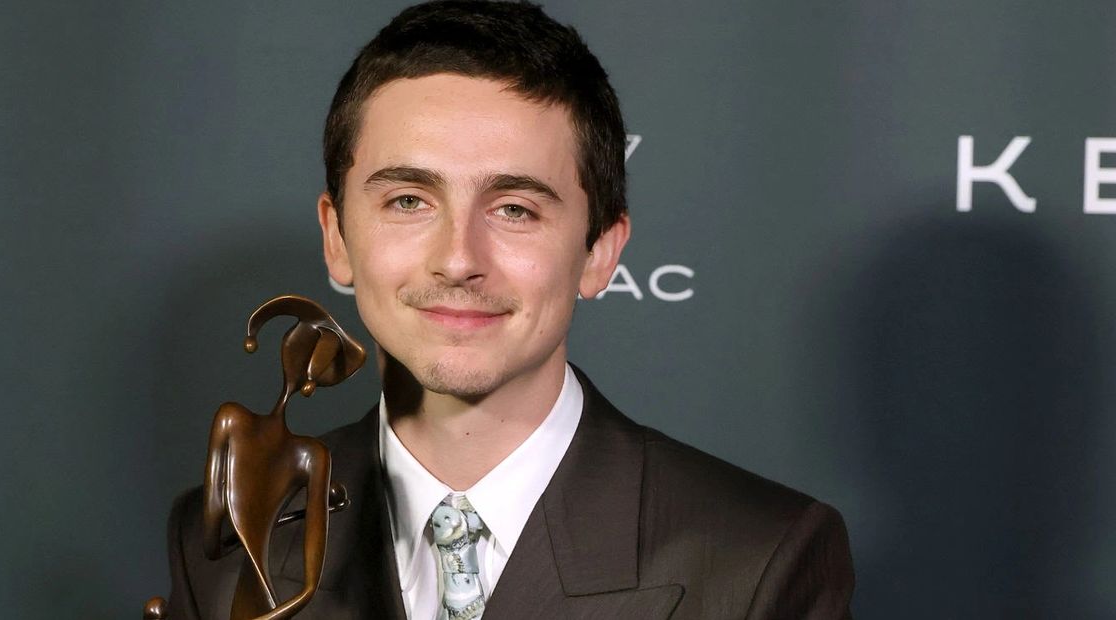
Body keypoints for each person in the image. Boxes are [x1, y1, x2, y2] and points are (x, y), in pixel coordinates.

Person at [162, 1, 855, 618]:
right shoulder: (224, 540)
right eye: (409, 201)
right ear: (337, 239)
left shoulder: (756, 562)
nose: (459, 258)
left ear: (599, 253)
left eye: (515, 209)